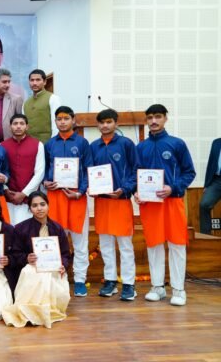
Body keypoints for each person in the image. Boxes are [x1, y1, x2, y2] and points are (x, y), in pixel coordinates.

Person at [136, 104, 196, 306]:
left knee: (177, 244)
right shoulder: (140, 147)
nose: (153, 121)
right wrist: (137, 192)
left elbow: (189, 172)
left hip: (172, 201)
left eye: (158, 117)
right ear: (146, 120)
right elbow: (136, 174)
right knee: (154, 245)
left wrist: (173, 187)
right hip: (150, 204)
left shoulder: (177, 144)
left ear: (165, 119)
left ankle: (178, 290)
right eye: (150, 117)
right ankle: (158, 287)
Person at [2, 191, 71, 329]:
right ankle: (31, 311)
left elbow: (65, 254)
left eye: (42, 204)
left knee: (50, 277)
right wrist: (26, 258)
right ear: (30, 208)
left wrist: (63, 264)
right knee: (30, 272)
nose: (39, 208)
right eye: (34, 206)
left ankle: (46, 310)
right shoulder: (21, 228)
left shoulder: (57, 228)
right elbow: (15, 254)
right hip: (32, 267)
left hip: (53, 267)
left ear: (48, 206)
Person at [90, 109, 139, 301]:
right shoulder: (94, 146)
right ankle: (110, 280)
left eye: (109, 122)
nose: (105, 125)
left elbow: (135, 169)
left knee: (125, 245)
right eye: (102, 122)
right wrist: (91, 187)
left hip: (121, 201)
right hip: (102, 202)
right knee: (105, 244)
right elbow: (89, 171)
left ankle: (128, 284)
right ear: (97, 125)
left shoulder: (126, 144)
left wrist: (124, 189)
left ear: (116, 123)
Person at [43, 106, 93, 297]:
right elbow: (45, 170)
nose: (62, 122)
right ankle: (57, 279)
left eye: (66, 118)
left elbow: (88, 169)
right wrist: (46, 181)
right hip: (55, 198)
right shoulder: (50, 144)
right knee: (55, 241)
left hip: (76, 198)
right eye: (59, 119)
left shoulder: (82, 143)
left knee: (80, 242)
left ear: (73, 120)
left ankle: (80, 280)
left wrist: (80, 192)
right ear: (55, 121)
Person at [1, 113, 45, 225]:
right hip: (8, 198)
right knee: (9, 229)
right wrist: (6, 190)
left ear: (27, 126)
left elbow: (40, 173)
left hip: (29, 199)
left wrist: (24, 193)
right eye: (15, 124)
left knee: (27, 230)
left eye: (21, 123)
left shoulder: (38, 145)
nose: (18, 126)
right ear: (10, 127)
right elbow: (0, 172)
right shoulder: (2, 146)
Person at [22, 69, 62, 144]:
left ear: (44, 82)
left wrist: (53, 143)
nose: (34, 83)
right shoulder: (26, 103)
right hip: (29, 144)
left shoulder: (53, 98)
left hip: (48, 143)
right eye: (32, 80)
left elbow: (56, 124)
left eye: (38, 80)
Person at [200, 138, 221, 234]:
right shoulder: (216, 142)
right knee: (204, 205)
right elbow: (211, 164)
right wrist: (206, 184)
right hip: (217, 180)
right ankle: (205, 237)